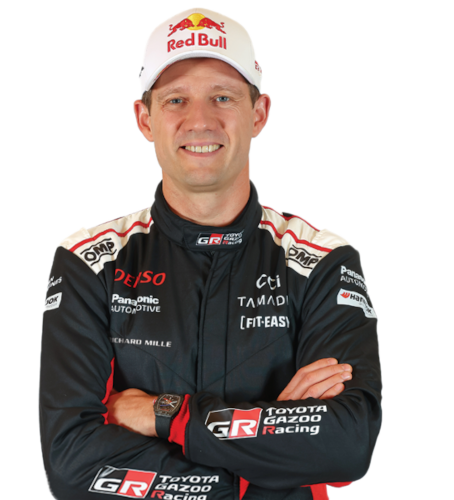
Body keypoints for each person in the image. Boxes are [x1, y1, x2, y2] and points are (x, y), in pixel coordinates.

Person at [39, 7, 381, 500]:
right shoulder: (87, 261)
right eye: (176, 99)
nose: (199, 121)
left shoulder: (324, 260)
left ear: (259, 113)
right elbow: (71, 466)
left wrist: (164, 415)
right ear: (144, 118)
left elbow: (347, 443)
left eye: (222, 96)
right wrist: (267, 462)